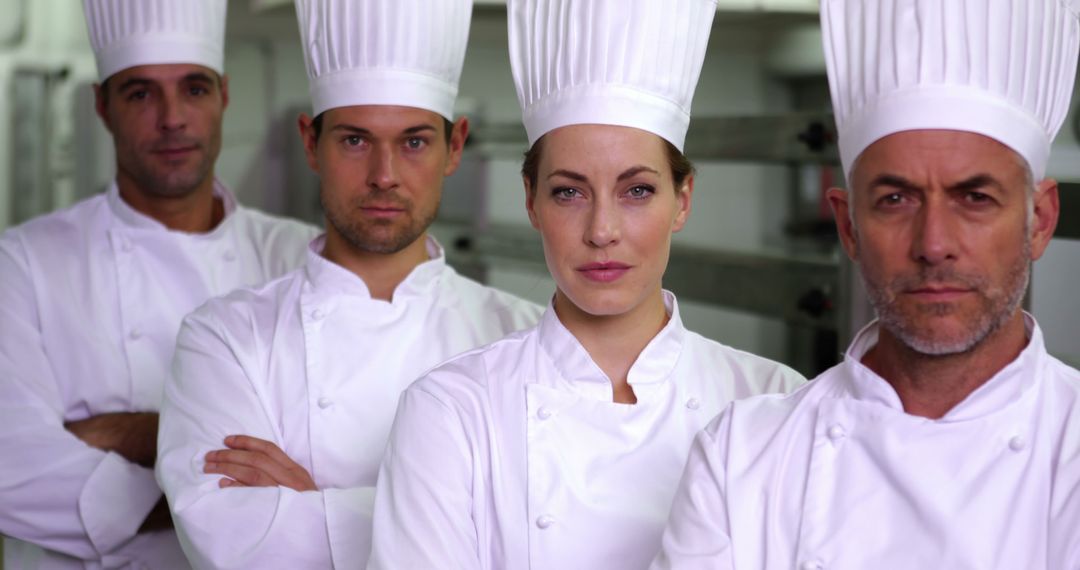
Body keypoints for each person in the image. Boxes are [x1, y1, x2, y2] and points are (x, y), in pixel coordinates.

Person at [367, 1, 805, 568]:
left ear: (684, 200)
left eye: (638, 190)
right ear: (531, 202)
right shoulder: (453, 410)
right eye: (569, 192)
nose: (602, 231)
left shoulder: (773, 400)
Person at [652, 0, 1080, 568]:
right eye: (895, 199)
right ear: (849, 226)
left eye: (974, 198)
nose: (933, 243)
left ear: (1040, 221)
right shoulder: (741, 457)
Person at [154, 0, 542, 567]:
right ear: (311, 142)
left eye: (413, 142)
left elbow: (546, 536)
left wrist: (312, 506)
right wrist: (455, 517)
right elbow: (232, 542)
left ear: (455, 146)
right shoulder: (225, 338)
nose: (384, 175)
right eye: (356, 140)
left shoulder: (524, 338)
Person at [0, 0, 318, 568]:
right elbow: (11, 466)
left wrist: (129, 436)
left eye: (193, 89)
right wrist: (230, 488)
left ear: (223, 95)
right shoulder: (22, 264)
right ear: (102, 106)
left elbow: (333, 449)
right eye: (140, 93)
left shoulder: (300, 258)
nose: (172, 117)